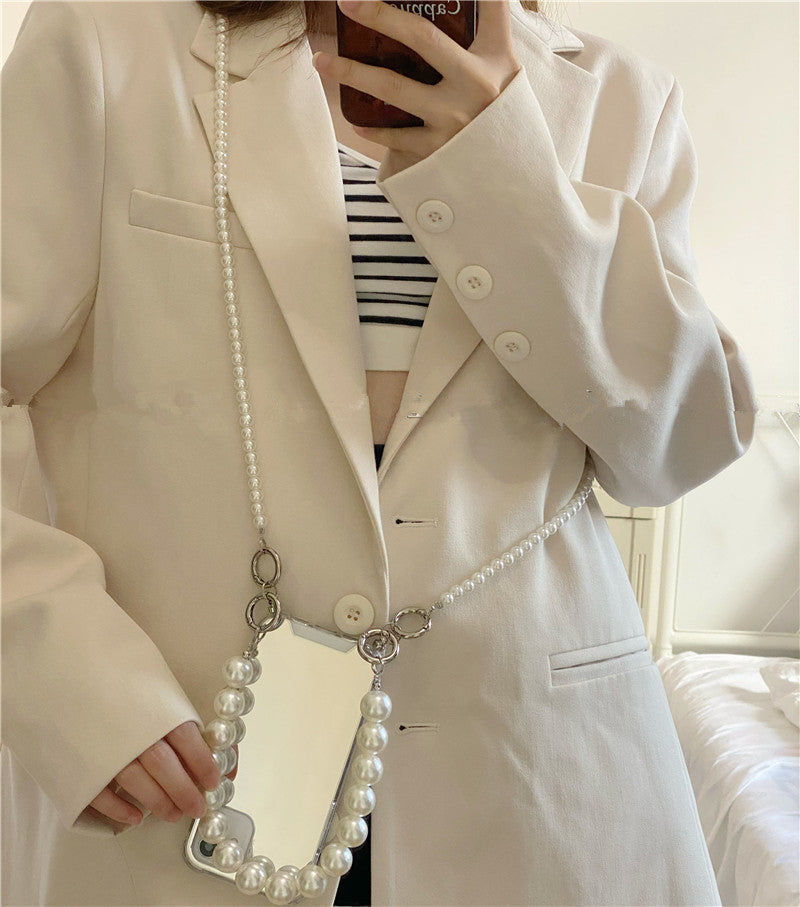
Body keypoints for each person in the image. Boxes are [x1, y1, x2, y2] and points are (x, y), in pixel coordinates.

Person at [1, 0, 757, 904]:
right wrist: (64, 675)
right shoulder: (105, 42)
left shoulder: (619, 100)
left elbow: (682, 445)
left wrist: (502, 166)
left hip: (540, 784)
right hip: (186, 763)